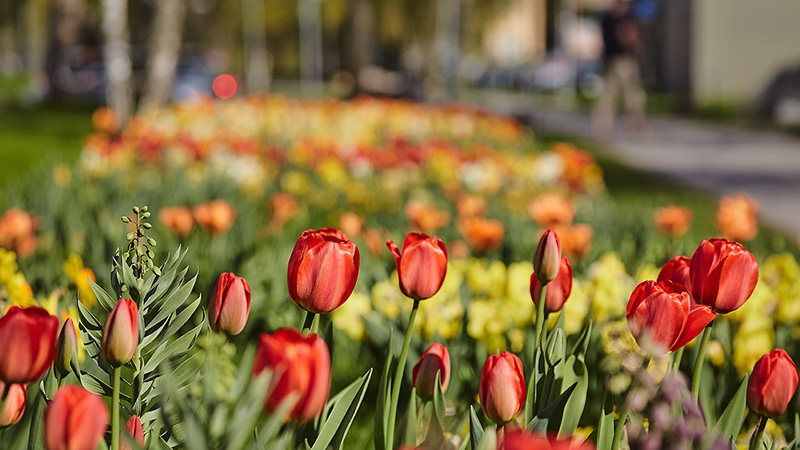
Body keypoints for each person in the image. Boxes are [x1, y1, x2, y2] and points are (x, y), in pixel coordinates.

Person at [591, 0, 646, 140]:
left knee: (608, 94)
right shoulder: (625, 15)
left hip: (610, 59)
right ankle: (635, 124)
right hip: (624, 59)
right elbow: (627, 35)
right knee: (631, 92)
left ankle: (602, 126)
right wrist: (637, 50)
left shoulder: (607, 16)